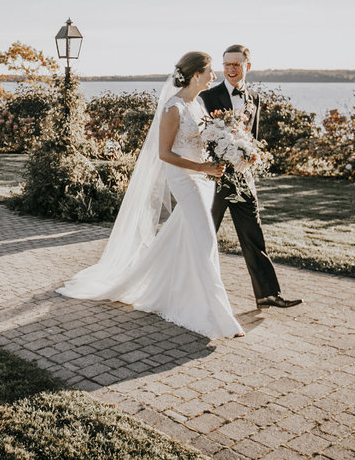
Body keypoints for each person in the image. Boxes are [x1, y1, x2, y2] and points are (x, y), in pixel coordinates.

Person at [58, 52, 244, 339]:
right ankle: (215, 313)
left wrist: (230, 150)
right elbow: (165, 153)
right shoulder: (173, 108)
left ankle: (172, 290)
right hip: (185, 178)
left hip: (204, 179)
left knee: (185, 235)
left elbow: (205, 140)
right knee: (206, 238)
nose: (214, 77)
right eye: (210, 72)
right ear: (196, 75)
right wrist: (202, 166)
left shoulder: (198, 105)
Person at [200, 44, 301, 309]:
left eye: (236, 64)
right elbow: (201, 138)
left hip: (243, 179)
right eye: (227, 65)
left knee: (253, 235)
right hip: (216, 179)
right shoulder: (208, 97)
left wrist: (251, 157)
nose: (231, 69)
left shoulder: (254, 97)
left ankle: (268, 294)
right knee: (203, 235)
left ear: (247, 66)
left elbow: (251, 137)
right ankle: (186, 292)